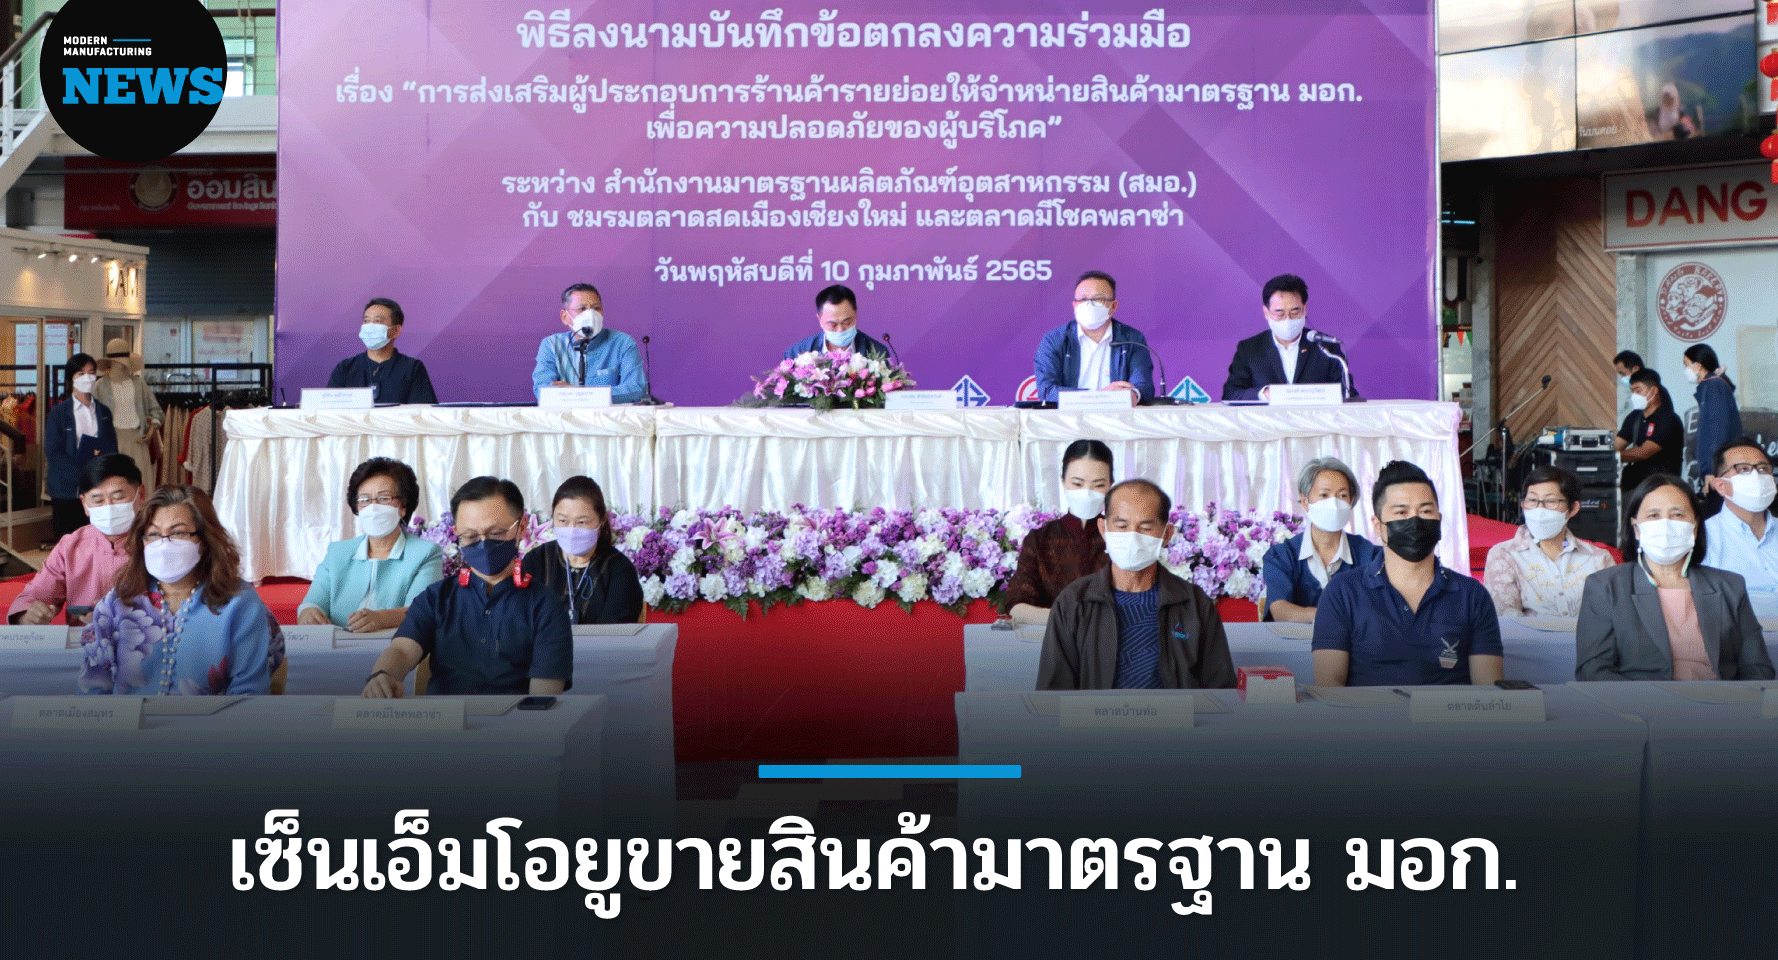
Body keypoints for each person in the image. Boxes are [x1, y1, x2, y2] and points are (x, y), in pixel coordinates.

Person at [362, 476, 571, 697]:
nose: (484, 544)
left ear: (521, 527)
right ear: (456, 533)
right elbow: (402, 650)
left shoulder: (546, 606)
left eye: (496, 534)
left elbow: (543, 698)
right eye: (470, 536)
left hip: (514, 718)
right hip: (444, 716)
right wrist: (383, 676)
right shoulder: (437, 598)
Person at [77, 485, 284, 696]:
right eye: (153, 534)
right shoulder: (119, 602)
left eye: (178, 533)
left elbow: (248, 693)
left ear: (204, 540)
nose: (164, 544)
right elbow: (92, 691)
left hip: (216, 718)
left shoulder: (239, 603)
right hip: (127, 718)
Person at [1312, 460, 1504, 687]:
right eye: (1401, 512)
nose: (1415, 521)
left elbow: (1489, 691)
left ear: (1439, 520)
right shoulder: (1342, 592)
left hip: (1448, 710)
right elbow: (1329, 687)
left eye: (1426, 511)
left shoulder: (1472, 596)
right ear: (1378, 525)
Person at [1037, 479, 1236, 690]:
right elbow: (1052, 694)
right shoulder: (1073, 603)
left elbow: (1221, 690)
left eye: (1145, 527)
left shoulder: (1194, 604)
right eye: (1121, 526)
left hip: (1176, 713)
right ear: (1103, 529)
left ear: (1166, 535)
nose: (1132, 536)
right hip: (1096, 713)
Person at [1576, 474, 1774, 681]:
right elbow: (1593, 671)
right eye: (1653, 515)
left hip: (1722, 699)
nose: (1666, 524)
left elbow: (1758, 669)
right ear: (1636, 529)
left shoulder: (1730, 586)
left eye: (1677, 514)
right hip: (1639, 700)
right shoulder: (1605, 586)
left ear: (1695, 528)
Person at [298, 457, 444, 631]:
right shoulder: (338, 552)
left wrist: (382, 618)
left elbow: (421, 610)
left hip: (396, 644)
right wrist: (309, 612)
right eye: (365, 500)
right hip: (338, 644)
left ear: (403, 507)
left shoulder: (425, 553)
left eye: (384, 498)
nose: (373, 507)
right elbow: (313, 602)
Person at [9, 454, 142, 626]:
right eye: (98, 500)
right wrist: (28, 615)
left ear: (141, 494)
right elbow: (36, 595)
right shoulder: (71, 546)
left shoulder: (158, 541)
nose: (108, 506)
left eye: (118, 497)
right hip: (81, 639)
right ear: (84, 505)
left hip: (147, 639)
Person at [1005, 440, 1113, 625]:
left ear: (1110, 485)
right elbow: (1017, 603)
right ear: (1063, 481)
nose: (1087, 493)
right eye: (1077, 484)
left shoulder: (1120, 536)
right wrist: (1065, 619)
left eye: (1098, 485)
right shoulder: (1040, 539)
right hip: (1052, 636)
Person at [1261, 456, 1382, 623]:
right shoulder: (1281, 556)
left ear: (1351, 501)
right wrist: (1335, 616)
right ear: (1305, 502)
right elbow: (1280, 610)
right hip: (1294, 641)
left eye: (1342, 495)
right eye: (1324, 495)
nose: (1334, 503)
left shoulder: (1370, 555)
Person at [1482, 465, 1614, 617]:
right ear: (1523, 504)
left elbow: (1611, 615)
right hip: (1526, 634)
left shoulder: (1598, 559)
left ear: (1573, 509)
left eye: (1551, 501)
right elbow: (1506, 617)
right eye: (1532, 500)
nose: (1540, 509)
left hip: (1589, 634)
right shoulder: (1504, 555)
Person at [520, 476, 644, 624]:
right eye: (563, 521)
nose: (572, 529)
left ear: (602, 520)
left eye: (581, 522)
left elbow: (615, 631)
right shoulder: (537, 561)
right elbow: (519, 620)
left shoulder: (618, 569)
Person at [1222, 274, 1355, 402]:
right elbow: (1230, 393)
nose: (1288, 319)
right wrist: (1263, 394)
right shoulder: (1249, 349)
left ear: (1305, 309)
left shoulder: (1326, 347)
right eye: (1280, 313)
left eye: (1295, 312)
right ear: (1266, 312)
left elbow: (1348, 393)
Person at [1032, 270, 1154, 404]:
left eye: (1098, 299)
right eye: (1083, 299)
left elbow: (1143, 385)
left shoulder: (1132, 339)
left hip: (1118, 415)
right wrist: (1100, 395)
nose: (1089, 305)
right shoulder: (1053, 340)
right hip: (1069, 416)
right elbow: (1047, 391)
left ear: (1113, 306)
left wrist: (1133, 395)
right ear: (1075, 305)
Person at [531, 283, 647, 402]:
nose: (591, 315)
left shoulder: (623, 343)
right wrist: (594, 395)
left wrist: (579, 393)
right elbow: (542, 390)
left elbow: (636, 389)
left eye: (596, 308)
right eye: (582, 309)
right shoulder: (552, 345)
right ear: (565, 316)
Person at [1701, 438, 1778, 618]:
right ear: (1721, 485)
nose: (1756, 476)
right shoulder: (1703, 538)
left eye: (1762, 469)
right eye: (1743, 469)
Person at [45, 353, 117, 539]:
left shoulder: (103, 412)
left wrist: (103, 474)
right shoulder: (59, 413)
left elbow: (111, 448)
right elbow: (53, 452)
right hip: (67, 490)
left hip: (97, 489)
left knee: (97, 539)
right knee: (69, 541)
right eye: (81, 374)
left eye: (91, 373)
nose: (87, 378)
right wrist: (82, 475)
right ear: (71, 378)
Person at [325, 297, 439, 404]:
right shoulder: (345, 368)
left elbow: (423, 412)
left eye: (378, 321)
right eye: (366, 321)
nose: (370, 327)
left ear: (396, 331)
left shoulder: (412, 368)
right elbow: (327, 410)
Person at [93, 338, 162, 488]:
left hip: (137, 441)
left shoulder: (139, 384)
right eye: (118, 362)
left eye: (123, 362)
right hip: (111, 442)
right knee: (114, 484)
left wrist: (151, 431)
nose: (121, 365)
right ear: (111, 363)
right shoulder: (100, 386)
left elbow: (157, 412)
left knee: (139, 483)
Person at [1681, 343, 1740, 495]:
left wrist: (1712, 470)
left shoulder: (1714, 387)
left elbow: (1716, 430)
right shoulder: (1712, 385)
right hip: (1720, 469)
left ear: (1698, 365)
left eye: (1686, 365)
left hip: (1720, 471)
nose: (1685, 370)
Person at [1616, 368, 1683, 495]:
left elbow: (1644, 452)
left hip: (1661, 488)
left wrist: (1613, 457)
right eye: (1632, 391)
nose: (1634, 395)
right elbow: (1616, 445)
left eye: (1638, 390)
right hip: (1635, 488)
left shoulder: (1669, 419)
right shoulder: (1634, 417)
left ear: (1654, 391)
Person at [782, 284, 890, 362]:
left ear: (855, 314)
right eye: (832, 325)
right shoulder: (797, 354)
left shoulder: (878, 353)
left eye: (846, 322)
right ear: (820, 320)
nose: (840, 330)